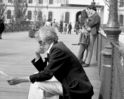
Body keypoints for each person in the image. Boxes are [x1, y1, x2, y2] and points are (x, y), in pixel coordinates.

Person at [7, 26, 94, 99]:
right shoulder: (56, 47)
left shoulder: (57, 50)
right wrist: (37, 54)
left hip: (77, 88)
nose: (40, 45)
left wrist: (20, 79)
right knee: (36, 79)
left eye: (40, 42)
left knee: (36, 84)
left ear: (46, 40)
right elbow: (45, 70)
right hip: (70, 83)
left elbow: (46, 74)